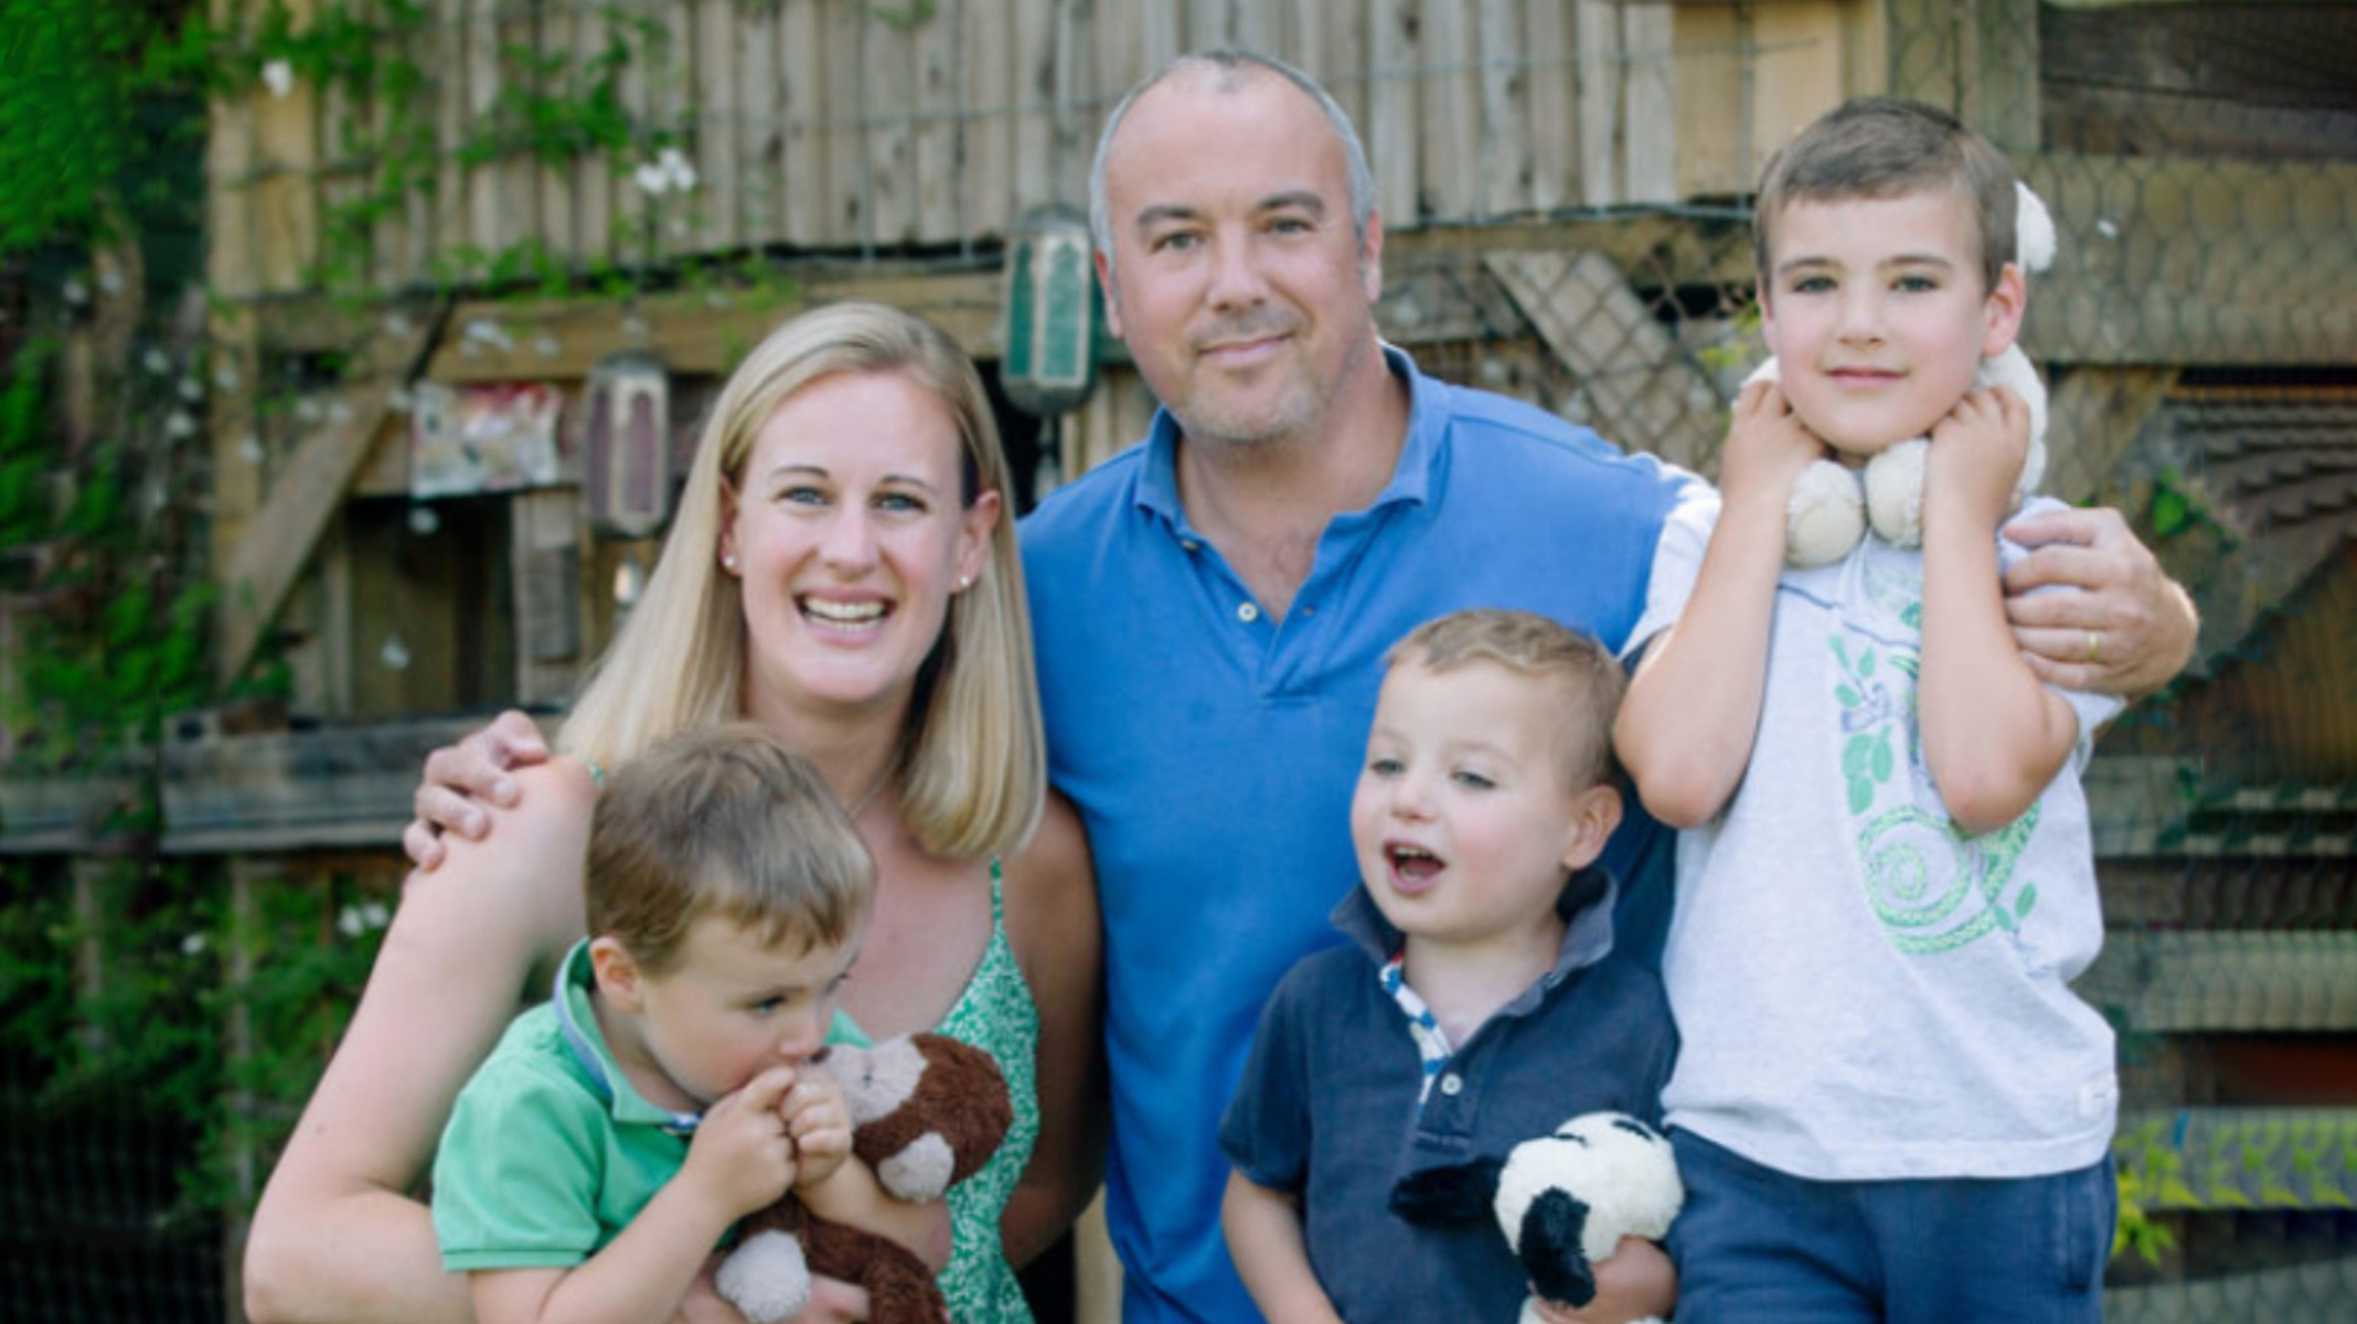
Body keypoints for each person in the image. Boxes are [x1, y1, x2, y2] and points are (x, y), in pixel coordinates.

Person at [397, 52, 2195, 1324]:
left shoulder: (1606, 517)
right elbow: (795, 665)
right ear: (1112, 288)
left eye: (1281, 224)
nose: (1233, 282)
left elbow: (1861, 612)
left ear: (1368, 247)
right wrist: (535, 773)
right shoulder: (1027, 596)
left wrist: (2152, 612)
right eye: (1175, 238)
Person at [241, 302, 1100, 1324]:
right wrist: (681, 1300)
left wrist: (871, 1270)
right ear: (732, 527)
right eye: (805, 495)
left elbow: (1043, 1186)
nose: (850, 548)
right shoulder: (549, 823)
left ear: (970, 542)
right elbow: (295, 1256)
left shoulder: (1029, 856)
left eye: (901, 503)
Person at [1612, 97, 2125, 1322]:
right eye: (1812, 284)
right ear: (1764, 309)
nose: (1856, 325)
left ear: (1996, 308)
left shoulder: (2052, 558)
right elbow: (1676, 773)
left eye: (1908, 282)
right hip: (1758, 1155)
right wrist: (1751, 503)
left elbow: (1978, 774)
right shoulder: (1710, 536)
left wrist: (1956, 513)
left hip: (1998, 1151)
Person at [1219, 610, 1676, 1323]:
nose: (1408, 798)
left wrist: (1644, 1286)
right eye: (1387, 764)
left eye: (1469, 777)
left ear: (1582, 828)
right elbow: (1257, 1191)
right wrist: (1299, 1312)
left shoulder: (1633, 1021)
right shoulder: (1317, 1004)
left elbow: (1683, 1234)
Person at [433, 725, 903, 1324]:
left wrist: (831, 1177)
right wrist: (704, 1197)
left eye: (831, 986)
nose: (811, 1035)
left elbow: (931, 1247)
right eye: (766, 1003)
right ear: (623, 977)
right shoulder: (531, 1106)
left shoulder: (817, 1051)